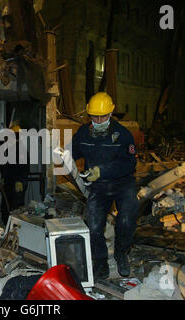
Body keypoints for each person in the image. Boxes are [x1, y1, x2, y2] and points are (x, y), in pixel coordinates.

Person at [69, 92, 139, 280]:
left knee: (127, 219)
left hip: (123, 183)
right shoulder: (83, 133)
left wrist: (102, 171)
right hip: (98, 186)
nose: (99, 120)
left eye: (103, 116)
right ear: (89, 115)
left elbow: (129, 164)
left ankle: (121, 253)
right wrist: (61, 157)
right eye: (94, 116)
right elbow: (72, 153)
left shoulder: (123, 135)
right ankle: (100, 260)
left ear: (111, 113)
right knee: (93, 225)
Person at [0, 124, 30, 226]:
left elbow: (23, 167)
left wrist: (20, 180)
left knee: (16, 206)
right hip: (9, 181)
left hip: (17, 183)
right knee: (6, 205)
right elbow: (5, 164)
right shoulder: (9, 148)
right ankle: (7, 225)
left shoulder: (20, 149)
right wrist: (3, 177)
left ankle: (16, 228)